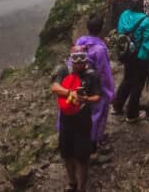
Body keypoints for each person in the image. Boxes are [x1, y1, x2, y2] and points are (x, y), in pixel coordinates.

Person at [51, 47, 101, 192]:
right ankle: (72, 182)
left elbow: (97, 97)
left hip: (83, 122)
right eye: (75, 57)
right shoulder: (64, 71)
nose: (78, 62)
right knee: (67, 154)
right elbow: (54, 87)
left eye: (82, 57)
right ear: (71, 58)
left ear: (86, 58)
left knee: (82, 157)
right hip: (66, 121)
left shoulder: (92, 75)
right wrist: (70, 93)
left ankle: (81, 187)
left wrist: (85, 98)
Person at [75, 15, 115, 157]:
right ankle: (92, 146)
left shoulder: (80, 42)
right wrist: (109, 91)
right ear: (101, 29)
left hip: (80, 83)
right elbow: (104, 72)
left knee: (82, 113)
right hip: (94, 86)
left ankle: (84, 141)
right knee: (97, 115)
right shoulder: (99, 49)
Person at [113, 0, 149, 122]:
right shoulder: (145, 20)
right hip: (139, 56)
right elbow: (147, 43)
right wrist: (144, 59)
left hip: (126, 54)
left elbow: (120, 32)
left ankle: (117, 106)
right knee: (138, 84)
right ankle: (132, 114)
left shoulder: (124, 15)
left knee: (127, 79)